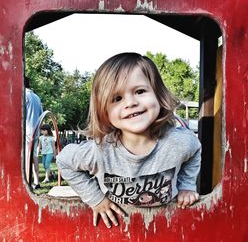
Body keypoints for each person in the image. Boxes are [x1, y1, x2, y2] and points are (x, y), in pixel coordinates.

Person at [56, 52, 201, 228]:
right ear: (104, 111)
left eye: (140, 91)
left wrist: (186, 185)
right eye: (117, 98)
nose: (130, 102)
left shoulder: (180, 142)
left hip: (165, 226)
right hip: (116, 228)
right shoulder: (99, 150)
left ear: (158, 95)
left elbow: (195, 149)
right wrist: (96, 199)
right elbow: (64, 161)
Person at [25, 77, 43, 190]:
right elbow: (41, 115)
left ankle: (27, 181)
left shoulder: (23, 96)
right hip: (35, 130)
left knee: (26, 157)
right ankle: (36, 181)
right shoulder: (36, 97)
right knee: (34, 156)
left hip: (26, 130)